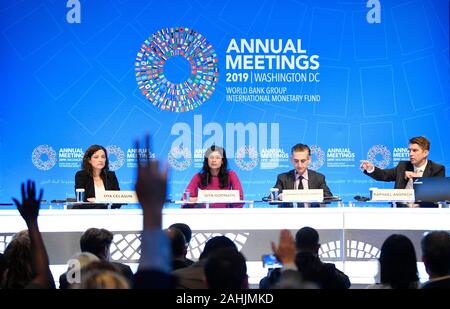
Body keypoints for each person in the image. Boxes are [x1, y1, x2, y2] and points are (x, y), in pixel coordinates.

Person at [360, 136, 445, 189]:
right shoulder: (403, 166)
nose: (411, 154)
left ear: (425, 153)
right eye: (409, 150)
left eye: (415, 150)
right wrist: (370, 168)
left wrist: (418, 179)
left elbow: (438, 192)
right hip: (401, 210)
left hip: (425, 211)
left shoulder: (437, 169)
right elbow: (384, 175)